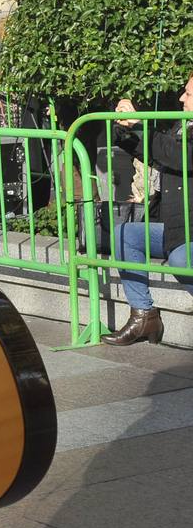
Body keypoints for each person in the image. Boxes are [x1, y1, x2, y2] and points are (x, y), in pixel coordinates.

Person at [101, 86, 193, 346]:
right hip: (178, 228)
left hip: (189, 233)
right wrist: (124, 127)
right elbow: (158, 152)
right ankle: (144, 316)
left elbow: (180, 156)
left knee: (180, 258)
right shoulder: (183, 124)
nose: (181, 98)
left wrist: (140, 124)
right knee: (124, 235)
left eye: (188, 93)